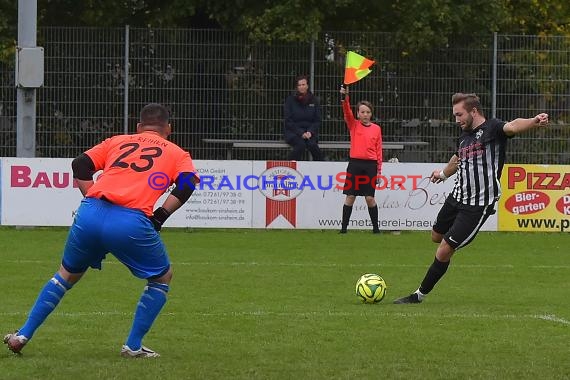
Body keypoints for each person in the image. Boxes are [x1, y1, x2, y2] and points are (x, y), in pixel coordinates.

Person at [3, 103, 199, 357]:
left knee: (66, 275)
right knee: (162, 277)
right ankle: (133, 345)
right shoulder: (177, 153)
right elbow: (187, 184)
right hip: (130, 221)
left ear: (138, 127)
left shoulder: (117, 141)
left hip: (90, 213)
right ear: (168, 129)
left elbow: (80, 165)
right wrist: (160, 217)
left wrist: (91, 199)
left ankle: (22, 335)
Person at [394, 92, 549, 304]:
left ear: (474, 111)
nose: (456, 119)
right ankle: (456, 237)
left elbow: (513, 126)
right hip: (457, 197)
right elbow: (458, 158)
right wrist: (442, 174)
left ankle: (418, 295)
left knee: (444, 249)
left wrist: (533, 121)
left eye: (459, 114)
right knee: (436, 236)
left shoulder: (493, 128)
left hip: (477, 206)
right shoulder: (464, 136)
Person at [338, 86, 383, 234]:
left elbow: (379, 151)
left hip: (370, 166)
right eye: (362, 112)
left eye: (368, 112)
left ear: (371, 114)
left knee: (369, 198)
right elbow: (346, 110)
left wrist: (378, 171)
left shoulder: (376, 129)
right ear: (357, 113)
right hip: (355, 164)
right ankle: (343, 229)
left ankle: (376, 229)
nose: (365, 114)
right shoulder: (353, 125)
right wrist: (345, 96)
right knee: (350, 196)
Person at [283, 75, 324, 161]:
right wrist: (301, 133)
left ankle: (320, 167)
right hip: (294, 132)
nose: (301, 87)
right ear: (297, 87)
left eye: (303, 84)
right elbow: (288, 121)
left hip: (310, 133)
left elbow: (317, 120)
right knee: (300, 145)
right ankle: (288, 166)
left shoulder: (314, 100)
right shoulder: (290, 100)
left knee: (312, 145)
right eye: (299, 85)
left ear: (307, 86)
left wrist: (310, 131)